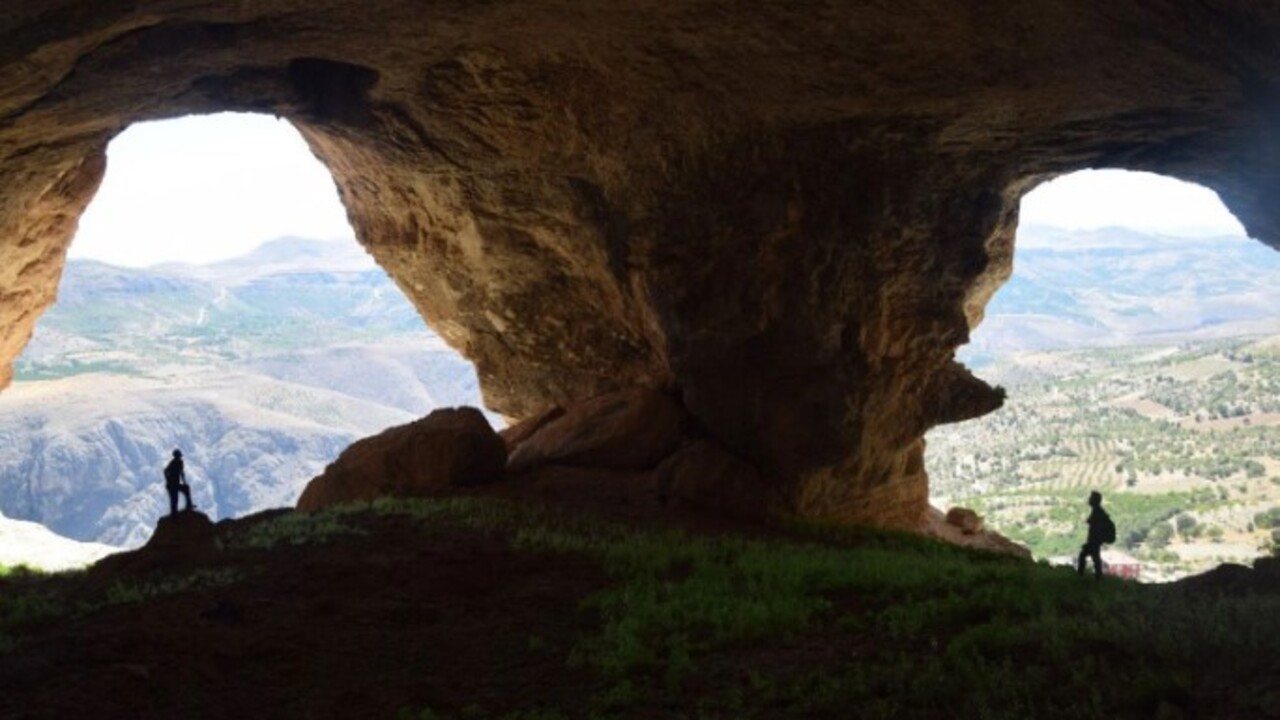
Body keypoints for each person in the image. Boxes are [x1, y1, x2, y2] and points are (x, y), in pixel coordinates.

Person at [1077, 490, 1113, 580]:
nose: (1089, 500)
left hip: (1094, 540)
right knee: (1094, 558)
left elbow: (1094, 528)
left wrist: (1092, 541)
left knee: (1087, 556)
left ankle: (1082, 576)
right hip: (1095, 541)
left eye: (1091, 498)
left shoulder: (1097, 512)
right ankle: (1097, 577)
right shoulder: (1098, 511)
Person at [163, 449, 195, 517]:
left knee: (186, 489)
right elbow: (165, 471)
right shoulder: (172, 463)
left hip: (176, 484)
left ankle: (189, 505)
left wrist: (184, 482)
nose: (179, 457)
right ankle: (174, 515)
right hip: (171, 485)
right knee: (174, 499)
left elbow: (182, 473)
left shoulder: (180, 462)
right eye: (178, 456)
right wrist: (169, 480)